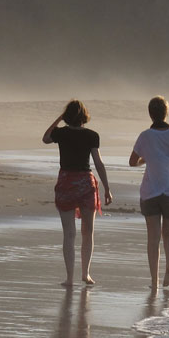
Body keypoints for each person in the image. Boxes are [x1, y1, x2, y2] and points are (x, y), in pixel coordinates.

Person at [43, 100, 112, 287]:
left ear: (67, 116)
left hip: (66, 182)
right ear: (84, 117)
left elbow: (46, 137)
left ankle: (69, 278)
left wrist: (59, 118)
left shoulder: (61, 133)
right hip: (85, 183)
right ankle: (86, 274)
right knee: (88, 232)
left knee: (69, 234)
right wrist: (106, 188)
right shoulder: (92, 135)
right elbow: (98, 163)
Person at [129, 96, 169, 290]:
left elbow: (132, 161)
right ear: (166, 113)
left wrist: (146, 159)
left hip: (150, 191)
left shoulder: (144, 136)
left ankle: (154, 282)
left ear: (150, 114)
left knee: (153, 237)